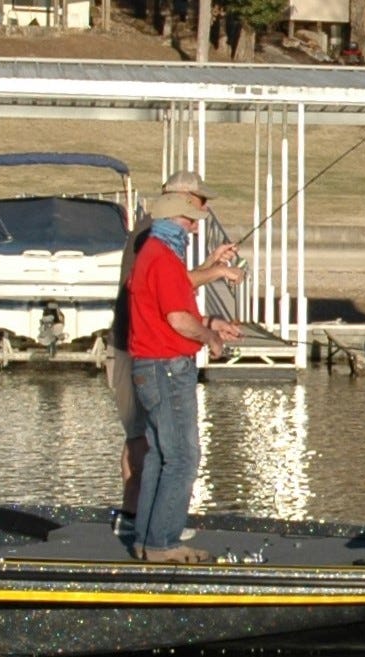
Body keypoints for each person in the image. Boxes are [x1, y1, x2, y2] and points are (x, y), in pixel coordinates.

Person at [109, 170, 240, 535]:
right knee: (157, 448)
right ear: (181, 200)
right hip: (135, 349)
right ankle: (145, 526)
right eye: (199, 204)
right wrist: (214, 278)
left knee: (159, 449)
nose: (203, 212)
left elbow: (170, 290)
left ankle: (152, 527)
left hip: (148, 350)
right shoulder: (151, 238)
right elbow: (173, 308)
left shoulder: (163, 242)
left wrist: (209, 318)